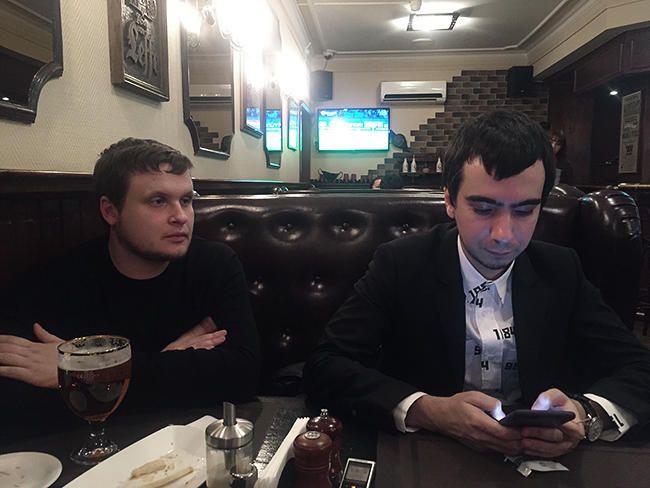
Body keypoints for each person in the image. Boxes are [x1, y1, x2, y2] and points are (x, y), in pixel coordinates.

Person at [304, 111, 650, 458]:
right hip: (428, 454)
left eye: (524, 211)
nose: (504, 235)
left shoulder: (561, 270)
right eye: (484, 209)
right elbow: (326, 366)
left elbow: (639, 367)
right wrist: (430, 410)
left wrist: (586, 414)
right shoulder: (401, 264)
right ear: (450, 201)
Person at [0, 138, 260, 430]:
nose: (180, 217)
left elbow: (244, 376)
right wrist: (167, 365)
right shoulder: (59, 280)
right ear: (110, 211)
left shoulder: (215, 265)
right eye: (158, 201)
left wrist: (92, 370)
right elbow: (14, 402)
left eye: (186, 200)